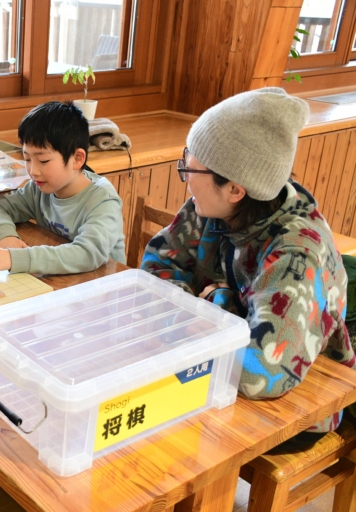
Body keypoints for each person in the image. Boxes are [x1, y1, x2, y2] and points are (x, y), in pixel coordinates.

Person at [140, 88, 355, 431]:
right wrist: (212, 311)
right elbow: (155, 268)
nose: (186, 177)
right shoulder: (212, 206)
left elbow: (259, 375)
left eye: (191, 168)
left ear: (235, 189)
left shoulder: (296, 252)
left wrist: (215, 302)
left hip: (298, 410)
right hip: (219, 378)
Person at [0, 101, 126, 274]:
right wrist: (6, 235)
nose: (33, 171)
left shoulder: (103, 200)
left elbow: (87, 254)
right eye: (27, 159)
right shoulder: (39, 189)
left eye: (43, 161)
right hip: (64, 281)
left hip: (104, 284)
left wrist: (14, 258)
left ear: (77, 159)